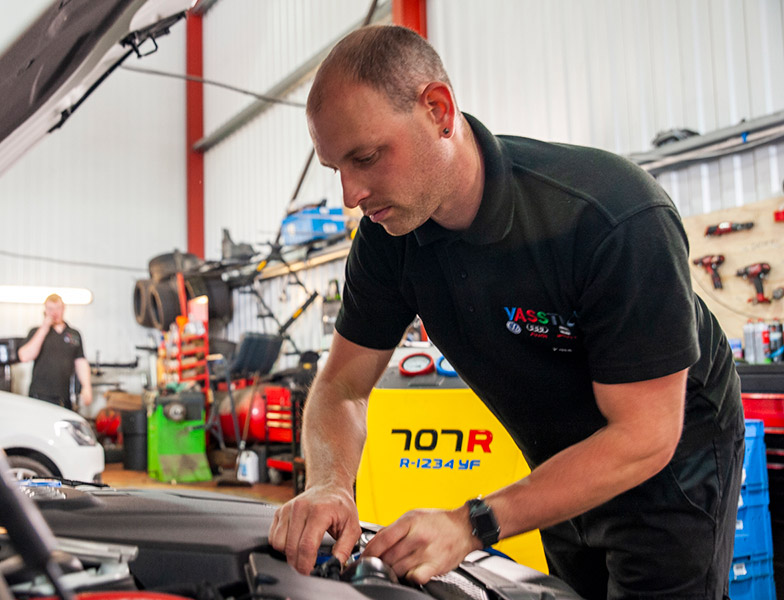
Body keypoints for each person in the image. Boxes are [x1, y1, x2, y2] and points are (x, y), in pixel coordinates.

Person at [268, 25, 744, 600]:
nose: (350, 194)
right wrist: (329, 484)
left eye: (366, 157)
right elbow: (341, 386)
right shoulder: (389, 238)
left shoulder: (609, 217)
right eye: (336, 168)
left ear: (438, 110)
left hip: (670, 462)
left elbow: (644, 435)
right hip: (558, 462)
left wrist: (472, 524)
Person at [17, 294, 92, 410]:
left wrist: (86, 387)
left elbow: (80, 361)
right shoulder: (36, 332)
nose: (54, 312)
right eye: (50, 309)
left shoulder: (74, 334)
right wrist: (45, 328)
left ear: (63, 309)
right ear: (45, 311)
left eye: (58, 308)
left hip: (64, 397)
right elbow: (24, 356)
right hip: (39, 396)